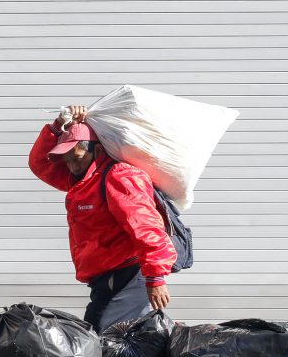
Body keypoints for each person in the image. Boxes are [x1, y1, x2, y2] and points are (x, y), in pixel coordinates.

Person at [28, 105, 177, 332]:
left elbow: (146, 226)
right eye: (66, 160)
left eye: (75, 158)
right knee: (115, 344)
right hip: (105, 279)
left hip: (126, 276)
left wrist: (156, 278)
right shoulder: (80, 179)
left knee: (101, 341)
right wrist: (58, 126)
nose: (71, 166)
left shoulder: (118, 176)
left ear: (96, 151)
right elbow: (40, 164)